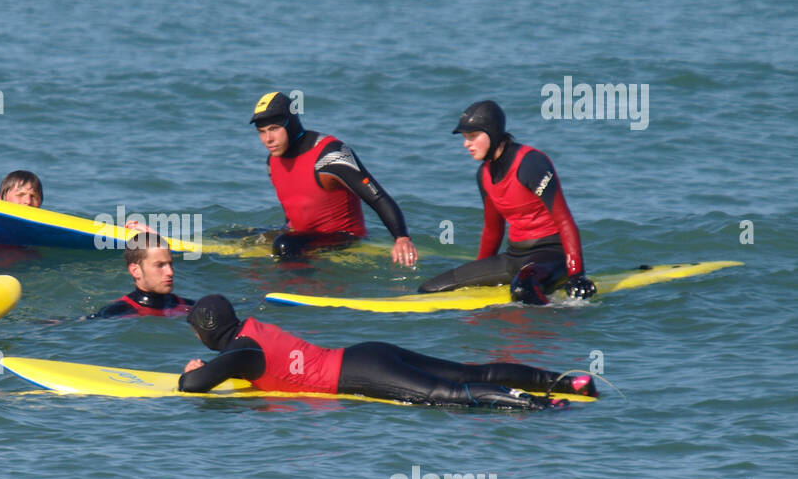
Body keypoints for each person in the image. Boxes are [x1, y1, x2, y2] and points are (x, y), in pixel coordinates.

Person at [178, 295, 596, 410]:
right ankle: (564, 380)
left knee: (444, 396)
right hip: (367, 353)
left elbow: (195, 385)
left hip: (356, 374)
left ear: (207, 332)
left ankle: (541, 404)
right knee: (469, 371)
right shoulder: (252, 331)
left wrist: (195, 371)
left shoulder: (243, 351)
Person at [419, 101, 596, 303]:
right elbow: (493, 230)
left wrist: (576, 274)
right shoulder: (484, 174)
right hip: (514, 258)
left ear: (492, 133)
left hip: (551, 257)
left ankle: (550, 324)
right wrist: (480, 275)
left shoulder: (531, 164)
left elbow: (564, 220)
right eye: (465, 138)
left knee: (522, 290)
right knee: (430, 288)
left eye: (472, 137)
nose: (466, 144)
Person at [250, 91, 418, 264]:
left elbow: (377, 197)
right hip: (301, 237)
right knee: (237, 236)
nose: (267, 139)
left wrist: (402, 238)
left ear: (291, 124)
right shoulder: (273, 161)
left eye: (274, 129)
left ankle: (297, 285)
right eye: (261, 132)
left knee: (284, 245)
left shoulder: (331, 154)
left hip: (341, 239)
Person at [91, 230, 195, 318]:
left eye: (170, 264)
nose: (170, 272)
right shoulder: (115, 313)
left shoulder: (189, 306)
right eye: (160, 265)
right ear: (136, 271)